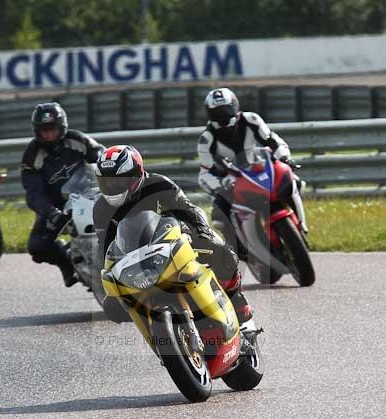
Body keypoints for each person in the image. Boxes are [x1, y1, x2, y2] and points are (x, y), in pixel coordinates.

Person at [92, 145, 255, 329]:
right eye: (106, 182)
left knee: (222, 252)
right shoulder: (101, 208)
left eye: (118, 181)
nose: (112, 187)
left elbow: (188, 209)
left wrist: (203, 231)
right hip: (136, 259)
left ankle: (236, 299)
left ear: (136, 175)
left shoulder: (159, 185)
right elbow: (106, 248)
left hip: (176, 242)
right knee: (112, 308)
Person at [20, 102, 103, 287]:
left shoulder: (78, 140)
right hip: (59, 207)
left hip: (89, 194)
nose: (49, 134)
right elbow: (34, 194)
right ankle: (67, 264)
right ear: (37, 131)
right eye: (44, 130)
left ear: (62, 127)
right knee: (37, 246)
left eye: (53, 129)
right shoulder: (32, 156)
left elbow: (101, 156)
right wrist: (52, 213)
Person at [196, 87, 292, 245]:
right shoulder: (206, 139)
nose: (223, 116)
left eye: (227, 110)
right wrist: (221, 185)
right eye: (218, 113)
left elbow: (272, 140)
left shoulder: (251, 119)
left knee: (292, 179)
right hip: (232, 182)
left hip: (258, 169)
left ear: (235, 106)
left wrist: (283, 156)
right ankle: (238, 249)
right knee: (219, 214)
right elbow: (204, 175)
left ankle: (300, 224)